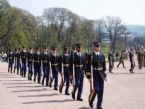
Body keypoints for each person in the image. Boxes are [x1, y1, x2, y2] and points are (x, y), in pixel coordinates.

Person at [88, 42, 107, 109]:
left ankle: (99, 106)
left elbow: (104, 66)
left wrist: (105, 75)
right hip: (95, 74)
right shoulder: (91, 56)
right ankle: (91, 100)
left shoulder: (102, 55)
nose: (98, 48)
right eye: (96, 46)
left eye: (99, 46)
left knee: (101, 91)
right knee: (96, 90)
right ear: (94, 47)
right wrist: (89, 76)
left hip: (101, 75)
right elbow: (88, 67)